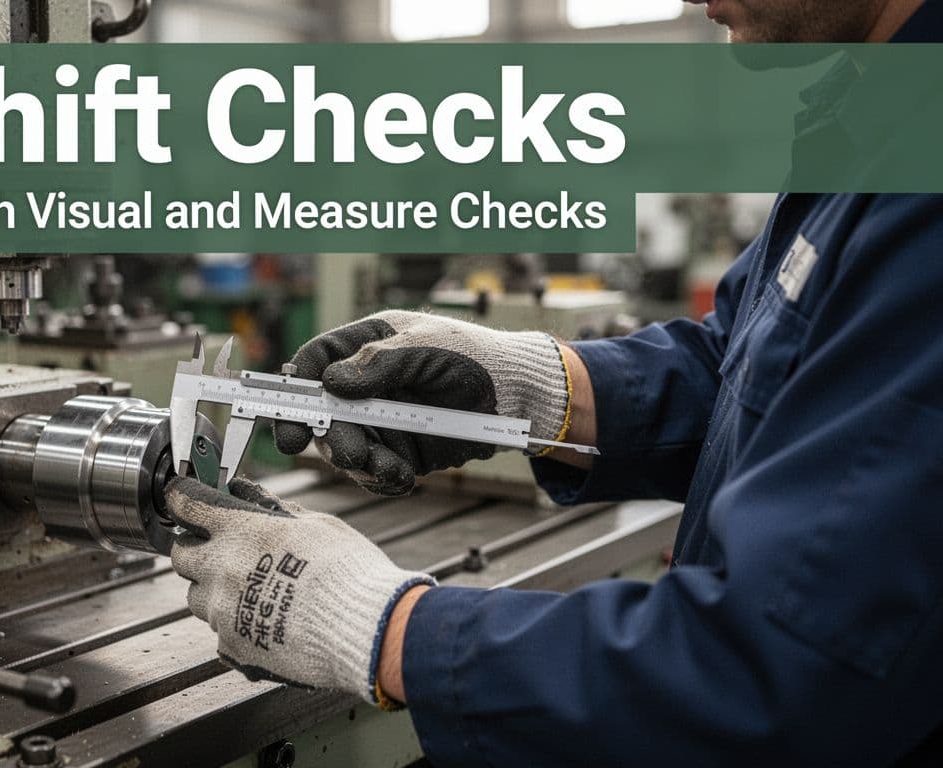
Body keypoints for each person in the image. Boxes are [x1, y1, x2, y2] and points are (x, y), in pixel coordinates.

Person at [165, 0, 943, 764]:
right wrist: (535, 385)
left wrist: (383, 628)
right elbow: (749, 363)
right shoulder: (878, 116)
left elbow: (784, 674)